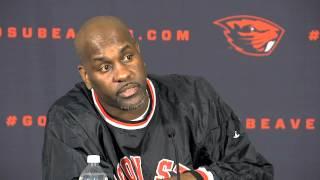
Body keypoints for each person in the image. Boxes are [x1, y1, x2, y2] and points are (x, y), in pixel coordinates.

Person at [42, 16, 273, 180]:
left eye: (128, 56)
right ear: (87, 77)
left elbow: (254, 170)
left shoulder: (195, 98)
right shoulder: (71, 119)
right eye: (104, 67)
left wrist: (195, 178)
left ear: (140, 54)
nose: (122, 73)